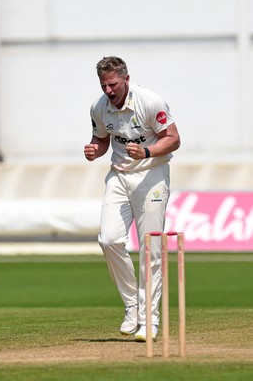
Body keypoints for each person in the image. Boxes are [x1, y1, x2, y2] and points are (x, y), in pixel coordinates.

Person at [84, 56, 180, 342]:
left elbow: (173, 138)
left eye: (113, 84)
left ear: (125, 79)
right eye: (104, 86)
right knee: (109, 239)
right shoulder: (99, 107)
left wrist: (149, 152)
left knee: (150, 247)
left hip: (151, 175)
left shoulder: (150, 101)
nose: (109, 91)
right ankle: (132, 306)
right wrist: (94, 150)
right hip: (119, 175)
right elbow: (102, 139)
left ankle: (149, 321)